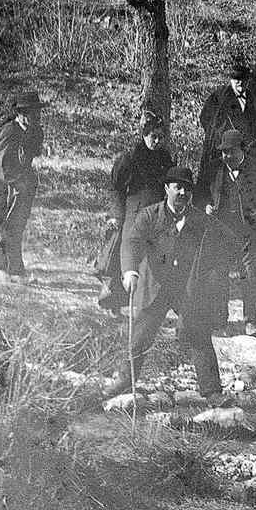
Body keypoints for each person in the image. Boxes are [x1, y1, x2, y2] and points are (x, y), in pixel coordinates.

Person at [105, 166, 238, 402]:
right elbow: (132, 243)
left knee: (199, 334)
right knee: (140, 336)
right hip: (154, 286)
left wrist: (216, 271)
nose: (183, 192)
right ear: (167, 189)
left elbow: (228, 238)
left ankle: (213, 392)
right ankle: (124, 381)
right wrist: (130, 271)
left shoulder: (201, 220)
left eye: (187, 189)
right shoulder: (149, 215)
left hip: (186, 288)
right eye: (178, 187)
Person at [207, 129, 256, 337]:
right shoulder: (216, 169)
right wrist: (207, 205)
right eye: (223, 152)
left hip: (248, 232)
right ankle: (219, 322)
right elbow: (202, 193)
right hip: (222, 231)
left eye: (230, 152)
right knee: (219, 276)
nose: (226, 157)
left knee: (249, 275)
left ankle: (250, 320)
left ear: (241, 150)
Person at [97, 110, 174, 309]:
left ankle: (145, 304)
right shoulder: (130, 158)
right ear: (144, 135)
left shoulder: (165, 159)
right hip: (133, 211)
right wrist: (115, 215)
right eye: (152, 137)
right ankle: (112, 303)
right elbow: (115, 188)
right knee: (125, 254)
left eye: (160, 137)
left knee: (152, 258)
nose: (156, 141)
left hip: (156, 214)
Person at [0, 89, 44, 281]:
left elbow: (33, 152)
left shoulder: (34, 130)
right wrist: (16, 181)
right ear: (20, 114)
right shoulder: (8, 131)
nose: (36, 117)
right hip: (3, 188)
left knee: (17, 226)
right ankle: (14, 271)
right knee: (11, 228)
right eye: (31, 113)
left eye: (37, 113)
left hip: (22, 186)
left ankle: (0, 266)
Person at [198, 64, 256, 202]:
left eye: (243, 79)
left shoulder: (251, 98)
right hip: (220, 147)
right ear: (231, 80)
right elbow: (204, 117)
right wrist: (216, 135)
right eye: (236, 79)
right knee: (217, 181)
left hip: (243, 147)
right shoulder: (219, 96)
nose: (240, 83)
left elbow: (254, 122)